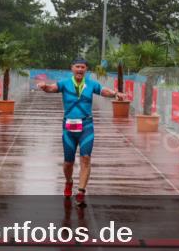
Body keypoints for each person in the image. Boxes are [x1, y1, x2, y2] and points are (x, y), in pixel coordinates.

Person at [36, 57, 126, 204]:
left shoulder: (91, 84)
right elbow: (52, 88)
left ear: (86, 70)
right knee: (68, 163)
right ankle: (69, 181)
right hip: (68, 128)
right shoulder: (65, 83)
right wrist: (44, 86)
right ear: (72, 68)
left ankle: (81, 191)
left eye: (82, 67)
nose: (79, 69)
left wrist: (116, 94)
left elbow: (104, 91)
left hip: (86, 126)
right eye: (77, 66)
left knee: (86, 158)